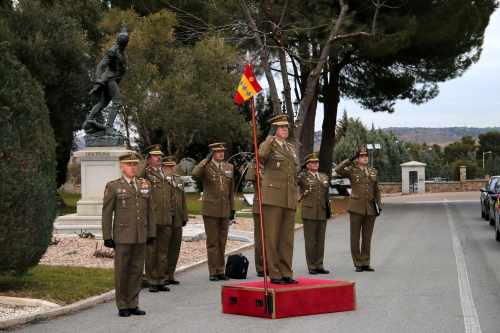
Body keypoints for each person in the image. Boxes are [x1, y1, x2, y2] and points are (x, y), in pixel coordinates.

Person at [102, 153, 155, 317]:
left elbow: (150, 211)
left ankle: (133, 303)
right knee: (122, 271)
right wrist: (107, 236)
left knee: (137, 270)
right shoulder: (113, 186)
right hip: (123, 234)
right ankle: (122, 305)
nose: (133, 167)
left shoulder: (144, 184)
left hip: (140, 234)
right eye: (129, 164)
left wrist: (151, 232)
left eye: (135, 164)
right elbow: (107, 213)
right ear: (121, 167)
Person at [258, 115, 299, 285]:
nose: (285, 129)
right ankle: (274, 274)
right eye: (281, 127)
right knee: (272, 238)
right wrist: (269, 136)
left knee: (287, 238)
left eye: (286, 127)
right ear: (275, 129)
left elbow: (293, 174)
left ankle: (286, 272)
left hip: (288, 197)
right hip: (273, 197)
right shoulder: (269, 145)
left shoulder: (291, 148)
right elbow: (260, 155)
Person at [192, 143, 235, 281]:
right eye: (218, 152)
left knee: (222, 241)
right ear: (212, 153)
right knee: (212, 242)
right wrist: (206, 159)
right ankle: (213, 271)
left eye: (222, 151)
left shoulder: (229, 168)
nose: (221, 154)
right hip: (210, 209)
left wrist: (232, 208)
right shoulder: (206, 167)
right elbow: (195, 173)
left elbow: (231, 190)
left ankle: (220, 270)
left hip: (224, 209)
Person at [335, 147, 382, 272]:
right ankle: (358, 263)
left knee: (367, 237)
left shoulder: (373, 172)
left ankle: (366, 261)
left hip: (370, 208)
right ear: (357, 159)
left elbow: (376, 190)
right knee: (355, 237)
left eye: (366, 155)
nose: (365, 157)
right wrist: (349, 160)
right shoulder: (352, 171)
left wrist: (379, 205)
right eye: (362, 156)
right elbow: (338, 169)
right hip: (356, 207)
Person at [83, 20, 129, 136]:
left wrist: (125, 28)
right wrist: (98, 78)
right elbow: (101, 65)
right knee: (117, 102)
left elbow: (124, 34)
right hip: (110, 79)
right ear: (120, 42)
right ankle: (109, 128)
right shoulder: (112, 51)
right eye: (123, 42)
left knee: (104, 101)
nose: (125, 43)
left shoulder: (121, 47)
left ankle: (89, 120)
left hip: (114, 79)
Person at [138, 144, 171, 293]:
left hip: (166, 216)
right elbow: (138, 177)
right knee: (151, 251)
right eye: (155, 155)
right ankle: (152, 280)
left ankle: (161, 280)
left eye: (160, 155)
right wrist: (144, 163)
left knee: (163, 251)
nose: (159, 157)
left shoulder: (165, 172)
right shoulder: (146, 173)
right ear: (149, 158)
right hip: (152, 216)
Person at [297, 153, 331, 275]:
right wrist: (300, 167)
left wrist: (328, 209)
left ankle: (319, 264)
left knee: (320, 240)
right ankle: (311, 265)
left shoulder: (324, 177)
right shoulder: (303, 177)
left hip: (321, 211)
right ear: (307, 165)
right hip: (309, 212)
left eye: (317, 162)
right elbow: (291, 177)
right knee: (310, 241)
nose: (315, 164)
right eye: (312, 162)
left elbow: (326, 195)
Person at [162, 155, 188, 285]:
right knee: (164, 248)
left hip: (177, 217)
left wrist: (184, 217)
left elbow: (182, 200)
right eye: (169, 166)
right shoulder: (161, 180)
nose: (171, 169)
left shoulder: (178, 180)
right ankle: (163, 275)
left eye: (173, 166)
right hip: (166, 218)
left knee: (174, 248)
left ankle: (171, 274)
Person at [244, 159, 265, 277]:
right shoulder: (256, 168)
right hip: (259, 206)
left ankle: (271, 265)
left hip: (272, 205)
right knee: (260, 238)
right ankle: (261, 266)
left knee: (271, 238)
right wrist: (253, 164)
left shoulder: (270, 166)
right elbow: (249, 177)